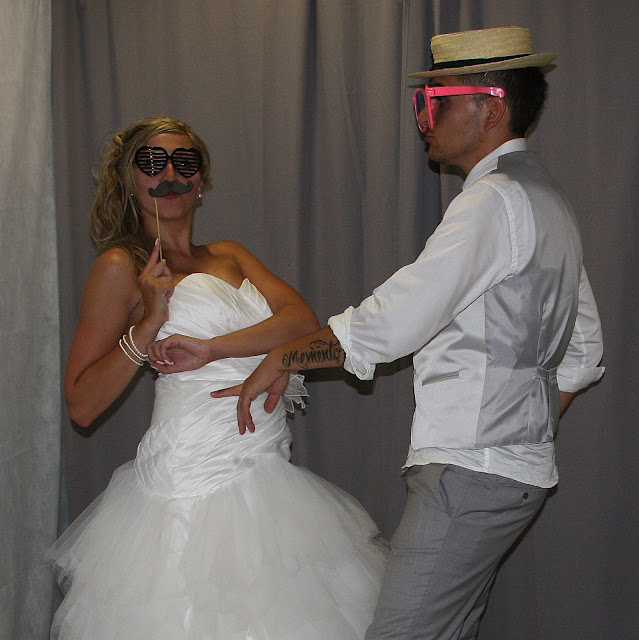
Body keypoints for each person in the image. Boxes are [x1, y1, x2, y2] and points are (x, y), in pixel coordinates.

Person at [150, 27, 605, 640]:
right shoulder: (547, 200)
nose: (423, 118)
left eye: (436, 100)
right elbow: (583, 349)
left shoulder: (492, 203)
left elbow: (390, 324)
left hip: (469, 471)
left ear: (491, 107)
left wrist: (284, 356)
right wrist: (524, 430)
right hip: (512, 473)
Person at [49, 116, 388, 640]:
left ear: (201, 180)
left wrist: (212, 349)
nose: (169, 175)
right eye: (152, 162)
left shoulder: (229, 254)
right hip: (188, 479)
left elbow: (301, 323)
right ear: (129, 179)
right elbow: (82, 404)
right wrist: (149, 323)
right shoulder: (120, 265)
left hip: (265, 466)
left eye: (184, 162)